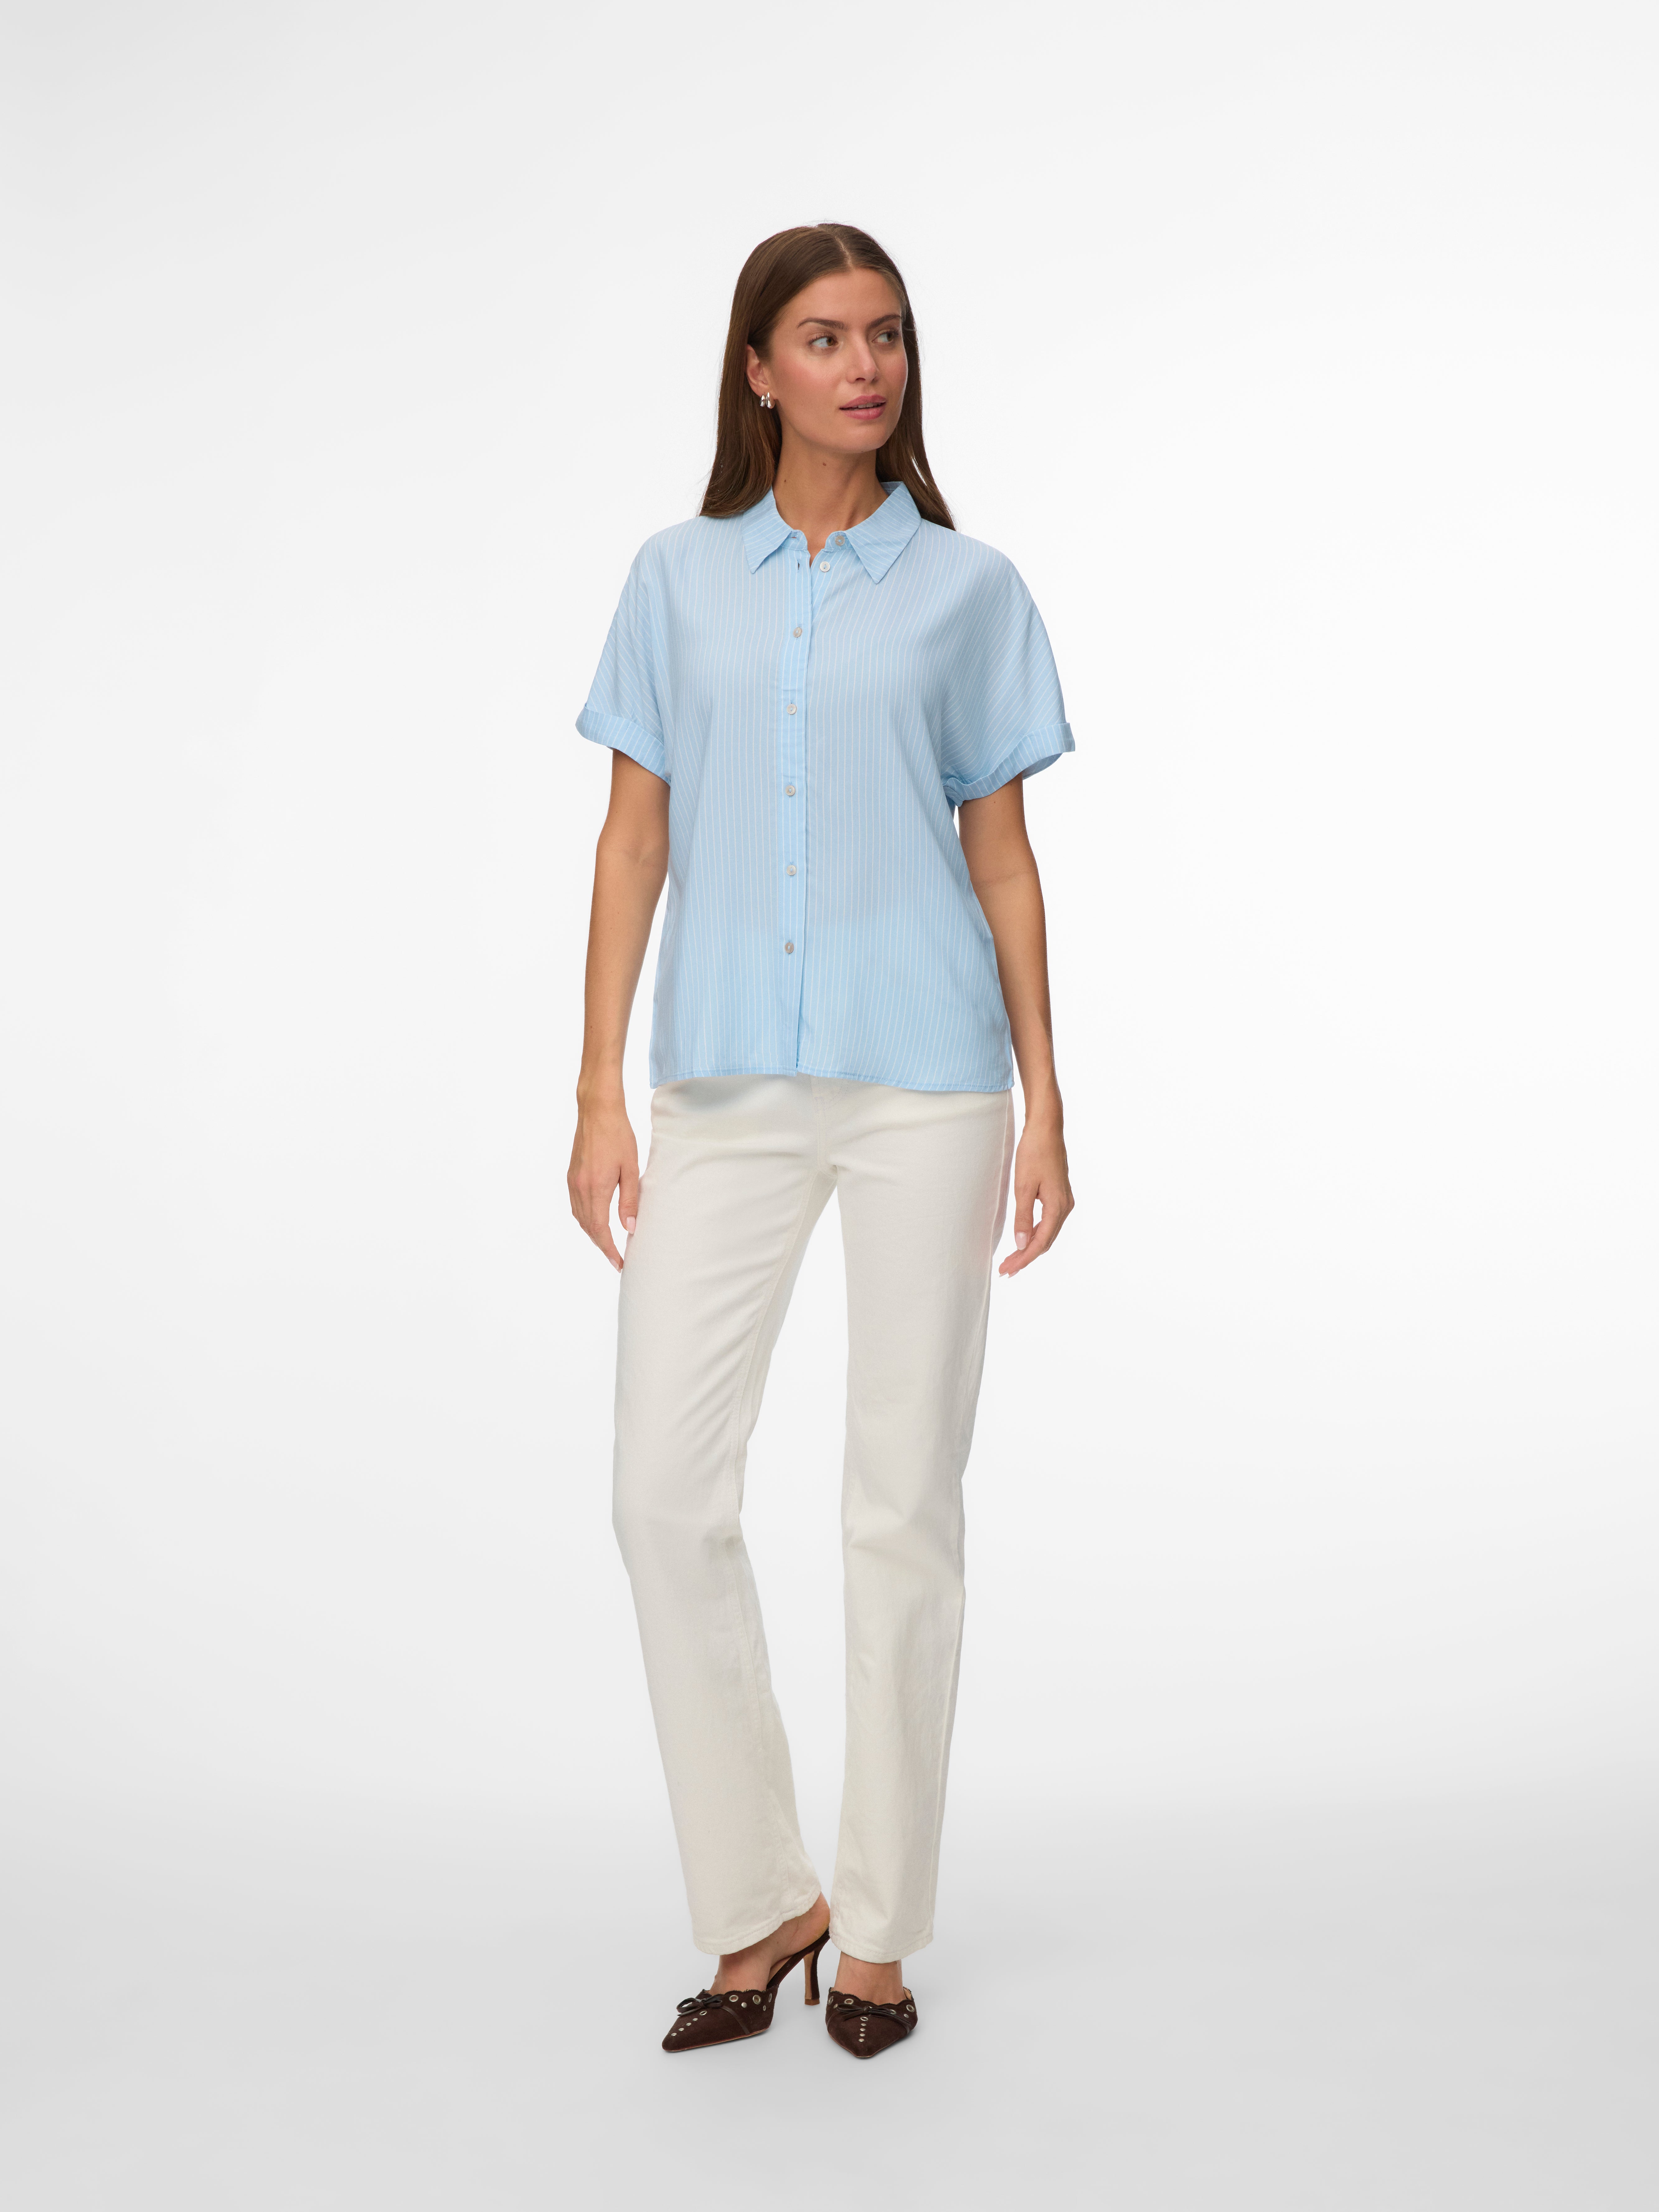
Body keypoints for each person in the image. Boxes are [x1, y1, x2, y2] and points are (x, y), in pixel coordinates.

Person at [568, 223, 1075, 2060]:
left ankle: (876, 1933)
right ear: (758, 369)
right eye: (825, 336)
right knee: (662, 1493)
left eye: (887, 336)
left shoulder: (966, 588)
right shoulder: (673, 578)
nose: (865, 366)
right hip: (719, 1087)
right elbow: (635, 835)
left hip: (927, 1082)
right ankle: (759, 1896)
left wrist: (1045, 1095)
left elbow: (1000, 858)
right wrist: (595, 1089)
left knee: (898, 1503)